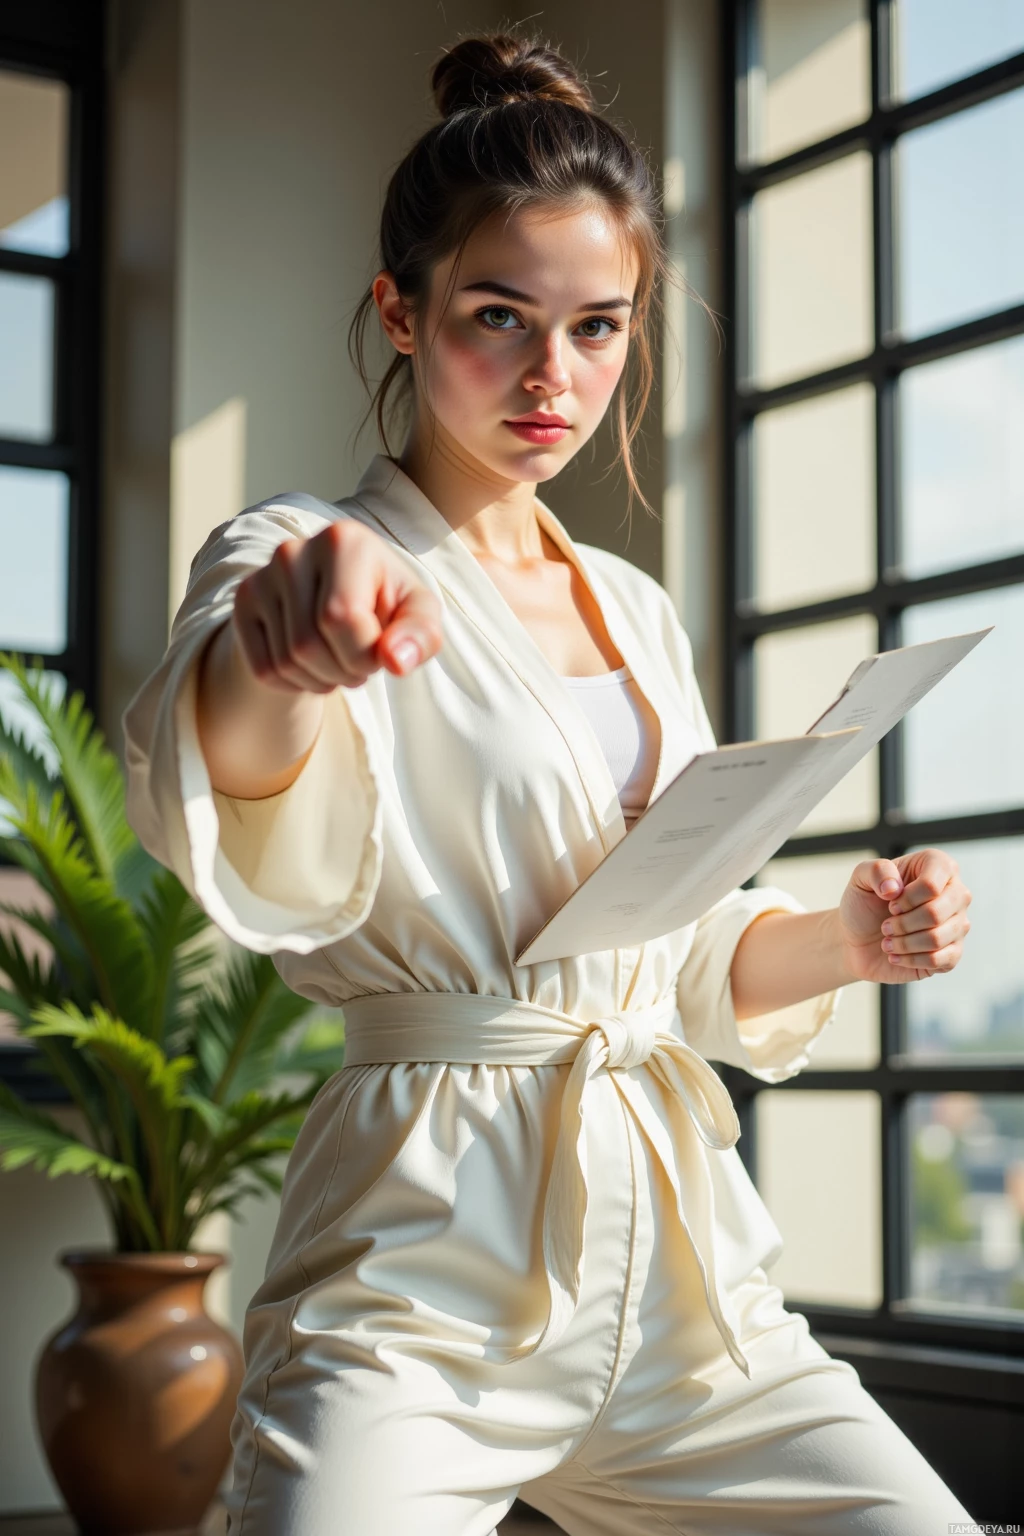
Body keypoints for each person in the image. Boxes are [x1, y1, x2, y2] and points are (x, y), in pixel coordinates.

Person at [121, 30, 978, 1536]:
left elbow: (687, 953)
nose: (552, 376)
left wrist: (848, 939)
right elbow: (229, 757)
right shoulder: (299, 549)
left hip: (688, 1290)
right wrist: (284, 657)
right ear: (402, 308)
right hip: (423, 1269)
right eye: (499, 316)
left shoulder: (636, 614)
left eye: (598, 328)